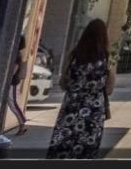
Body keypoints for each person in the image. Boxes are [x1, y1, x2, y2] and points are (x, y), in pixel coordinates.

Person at [46, 19, 114, 159]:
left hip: (72, 105)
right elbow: (109, 89)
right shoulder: (107, 59)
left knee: (64, 143)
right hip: (94, 110)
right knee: (87, 147)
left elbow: (63, 83)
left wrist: (76, 87)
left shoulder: (74, 56)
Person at [4, 32, 29, 136]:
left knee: (13, 103)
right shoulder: (16, 53)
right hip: (12, 81)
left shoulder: (17, 55)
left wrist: (7, 79)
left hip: (13, 82)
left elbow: (14, 69)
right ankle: (22, 124)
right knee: (12, 103)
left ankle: (22, 123)